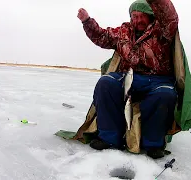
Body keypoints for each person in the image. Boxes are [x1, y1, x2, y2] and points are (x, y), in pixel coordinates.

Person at [77, 0, 179, 159]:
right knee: (106, 83)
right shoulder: (123, 32)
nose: (137, 20)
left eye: (141, 16)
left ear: (151, 15)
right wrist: (87, 22)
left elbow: (169, 15)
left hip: (158, 80)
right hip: (129, 76)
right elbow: (102, 37)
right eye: (134, 16)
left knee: (166, 95)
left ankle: (153, 144)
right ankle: (109, 138)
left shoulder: (162, 30)